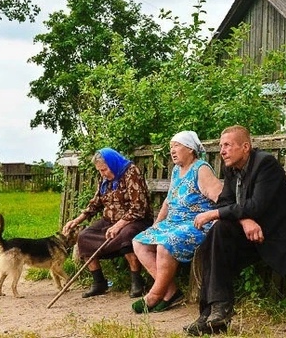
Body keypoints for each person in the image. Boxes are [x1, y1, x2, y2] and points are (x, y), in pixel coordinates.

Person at [183, 125, 286, 336]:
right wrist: (245, 220)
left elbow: (257, 205)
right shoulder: (231, 168)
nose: (222, 151)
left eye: (227, 145)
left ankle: (215, 311)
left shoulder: (266, 164)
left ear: (245, 147)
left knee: (217, 230)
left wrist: (216, 214)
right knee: (214, 238)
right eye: (221, 146)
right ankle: (214, 312)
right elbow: (225, 202)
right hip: (252, 232)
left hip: (274, 235)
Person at [131, 131, 223, 313]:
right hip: (173, 223)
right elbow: (169, 200)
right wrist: (157, 223)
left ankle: (155, 295)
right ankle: (171, 291)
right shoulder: (176, 170)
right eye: (171, 147)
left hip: (196, 223)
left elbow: (221, 196)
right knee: (139, 242)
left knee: (165, 245)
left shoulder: (201, 169)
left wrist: (214, 216)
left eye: (176, 146)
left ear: (190, 149)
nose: (172, 150)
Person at [62, 147, 153, 298]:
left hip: (136, 220)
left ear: (113, 163)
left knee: (126, 235)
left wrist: (119, 225)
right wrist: (77, 220)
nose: (102, 174)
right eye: (100, 171)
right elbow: (96, 202)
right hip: (109, 220)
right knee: (84, 236)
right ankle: (99, 282)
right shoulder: (105, 179)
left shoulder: (131, 172)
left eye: (104, 170)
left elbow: (139, 207)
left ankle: (137, 281)